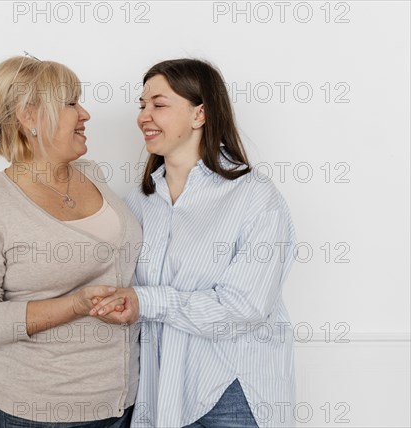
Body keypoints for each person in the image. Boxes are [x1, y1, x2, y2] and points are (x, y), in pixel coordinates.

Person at [90, 58, 297, 428]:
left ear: (199, 114)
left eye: (159, 104)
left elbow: (244, 307)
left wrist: (147, 300)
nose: (144, 116)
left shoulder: (253, 196)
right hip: (158, 396)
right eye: (142, 105)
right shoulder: (137, 203)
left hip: (231, 393)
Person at [0, 53, 142, 428]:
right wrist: (76, 304)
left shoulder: (92, 173)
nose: (85, 114)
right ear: (30, 116)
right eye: (71, 103)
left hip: (122, 401)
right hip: (38, 413)